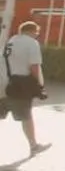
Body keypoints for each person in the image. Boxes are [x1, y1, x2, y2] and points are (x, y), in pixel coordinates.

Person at [2, 21, 49, 154]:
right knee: (26, 116)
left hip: (3, 82)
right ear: (33, 31)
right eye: (37, 33)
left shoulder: (11, 40)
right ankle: (34, 145)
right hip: (19, 85)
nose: (37, 35)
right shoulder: (31, 43)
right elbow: (34, 66)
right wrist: (40, 85)